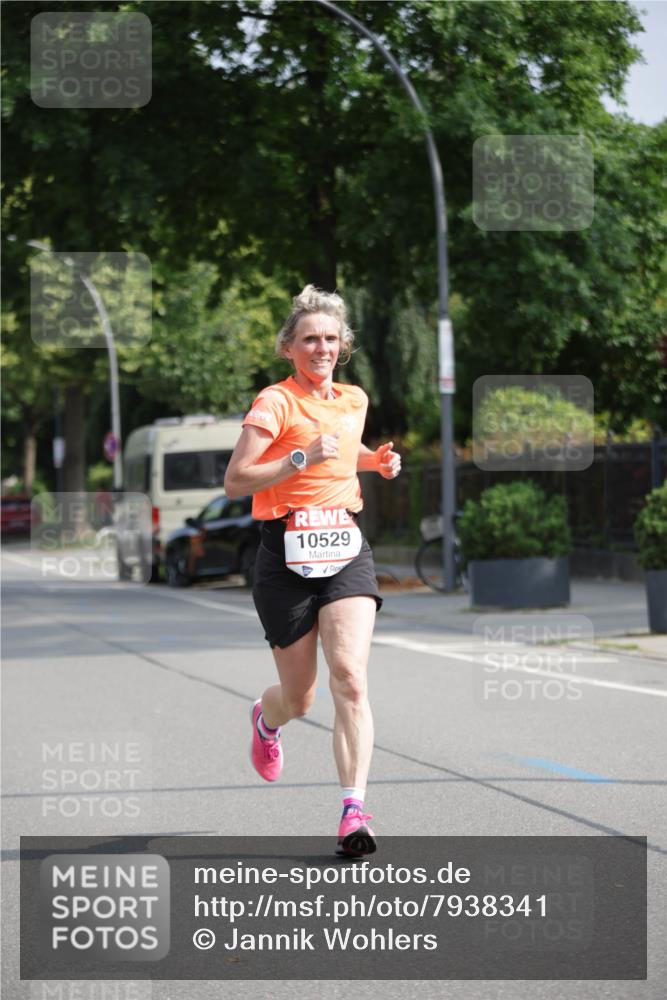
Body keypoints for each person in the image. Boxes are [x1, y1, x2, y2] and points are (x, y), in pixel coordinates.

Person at [224, 285, 401, 857]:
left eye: (329, 339)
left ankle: (353, 811)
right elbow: (237, 479)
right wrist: (299, 458)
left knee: (350, 677)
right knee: (300, 698)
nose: (321, 348)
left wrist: (376, 461)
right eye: (309, 339)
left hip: (344, 547)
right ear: (289, 348)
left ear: (342, 346)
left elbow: (343, 452)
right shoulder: (274, 402)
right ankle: (266, 720)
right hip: (285, 555)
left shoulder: (354, 399)